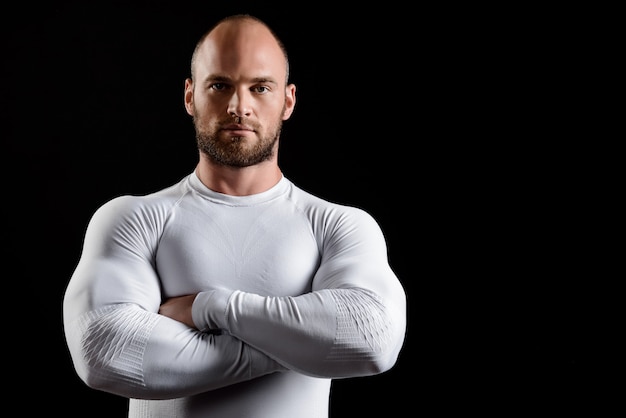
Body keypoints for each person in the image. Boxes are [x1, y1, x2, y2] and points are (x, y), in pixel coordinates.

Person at [63, 13, 407, 418]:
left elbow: (370, 341)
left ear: (288, 101)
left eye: (260, 87)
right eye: (220, 85)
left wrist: (208, 309)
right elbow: (106, 354)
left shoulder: (338, 226)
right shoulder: (133, 219)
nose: (238, 106)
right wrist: (305, 347)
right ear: (190, 95)